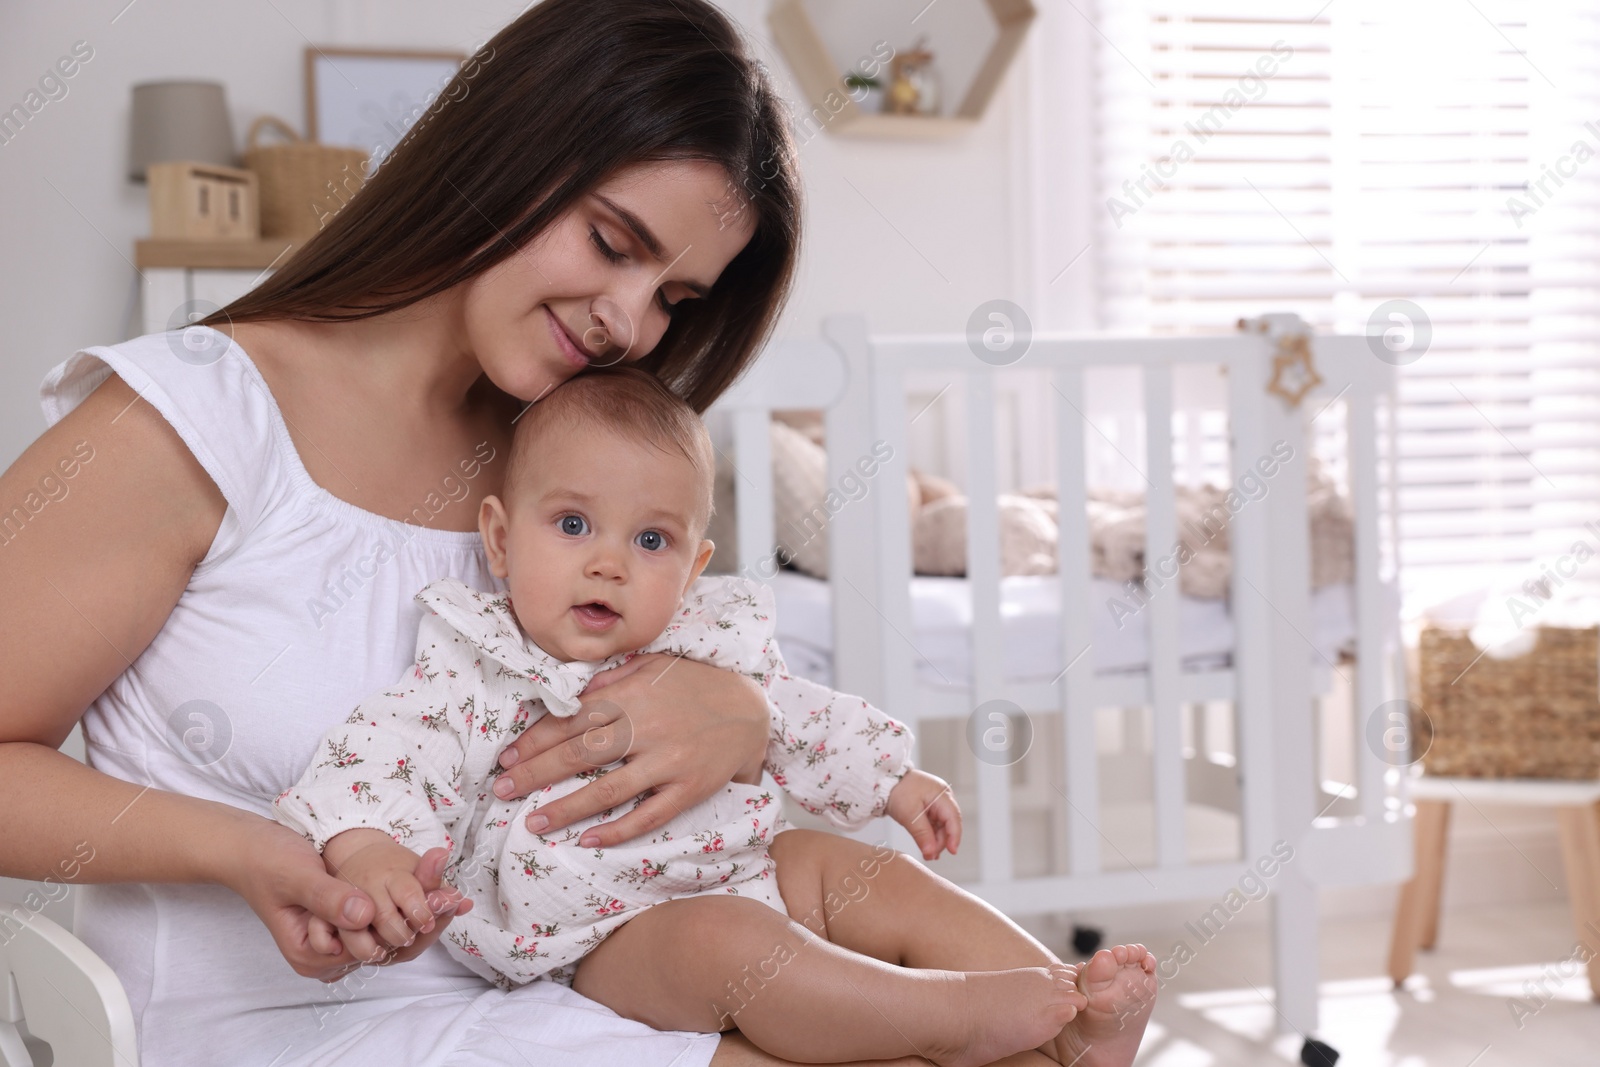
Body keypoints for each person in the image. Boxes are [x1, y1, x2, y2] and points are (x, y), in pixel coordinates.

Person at [0, 1, 1150, 1065]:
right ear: (502, 151)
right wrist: (246, 850)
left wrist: (739, 710)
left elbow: (676, 644)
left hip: (570, 979)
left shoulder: (565, 457)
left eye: (676, 299)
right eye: (612, 243)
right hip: (278, 1027)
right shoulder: (193, 420)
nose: (628, 321)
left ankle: (1058, 1009)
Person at [271, 368, 1158, 1067]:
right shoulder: (478, 662)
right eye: (574, 523)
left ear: (693, 567)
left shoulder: (710, 643)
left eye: (649, 540)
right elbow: (383, 758)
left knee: (866, 873)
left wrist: (891, 778)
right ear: (501, 539)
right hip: (603, 939)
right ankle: (949, 1017)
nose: (610, 564)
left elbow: (795, 716)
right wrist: (376, 854)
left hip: (751, 866)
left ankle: (1073, 1010)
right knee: (728, 944)